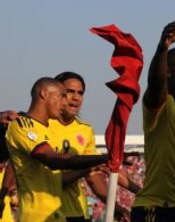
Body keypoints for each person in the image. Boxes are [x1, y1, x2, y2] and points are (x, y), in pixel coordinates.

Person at [5, 77, 108, 222]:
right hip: (36, 217)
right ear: (44, 93)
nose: (65, 102)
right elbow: (53, 160)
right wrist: (102, 158)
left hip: (57, 215)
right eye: (62, 96)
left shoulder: (49, 131)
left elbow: (58, 178)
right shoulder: (22, 125)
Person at [131, 20, 175, 222]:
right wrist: (163, 47)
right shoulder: (161, 105)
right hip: (156, 209)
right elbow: (156, 83)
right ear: (168, 71)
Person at [53, 71, 137, 222]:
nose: (76, 97)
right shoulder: (40, 126)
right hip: (45, 214)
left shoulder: (85, 131)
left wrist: (117, 207)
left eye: (80, 93)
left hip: (77, 213)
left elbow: (93, 177)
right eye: (70, 92)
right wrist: (92, 165)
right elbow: (54, 181)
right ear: (55, 94)